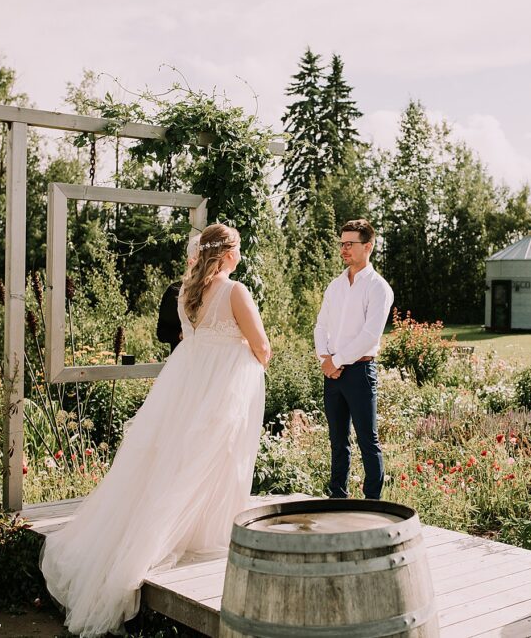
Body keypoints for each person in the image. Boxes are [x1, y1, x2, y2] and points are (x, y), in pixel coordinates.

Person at [40, 223, 271, 637]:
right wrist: (253, 360)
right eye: (237, 248)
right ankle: (194, 533)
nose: (240, 254)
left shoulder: (187, 292)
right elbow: (262, 345)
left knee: (177, 457)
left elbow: (190, 338)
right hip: (221, 385)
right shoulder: (236, 291)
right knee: (215, 458)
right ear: (227, 253)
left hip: (186, 381)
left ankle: (187, 529)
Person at [314, 219, 394, 500]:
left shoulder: (378, 288)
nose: (344, 249)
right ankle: (338, 497)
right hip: (332, 372)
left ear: (368, 246)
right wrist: (325, 358)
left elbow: (370, 335)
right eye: (342, 243)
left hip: (360, 372)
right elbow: (320, 326)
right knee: (338, 442)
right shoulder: (335, 286)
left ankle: (373, 503)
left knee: (367, 441)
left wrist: (336, 360)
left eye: (350, 244)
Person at [156, 235, 200, 353]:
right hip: (183, 356)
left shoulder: (218, 290)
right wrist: (182, 335)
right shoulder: (175, 291)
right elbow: (162, 333)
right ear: (190, 262)